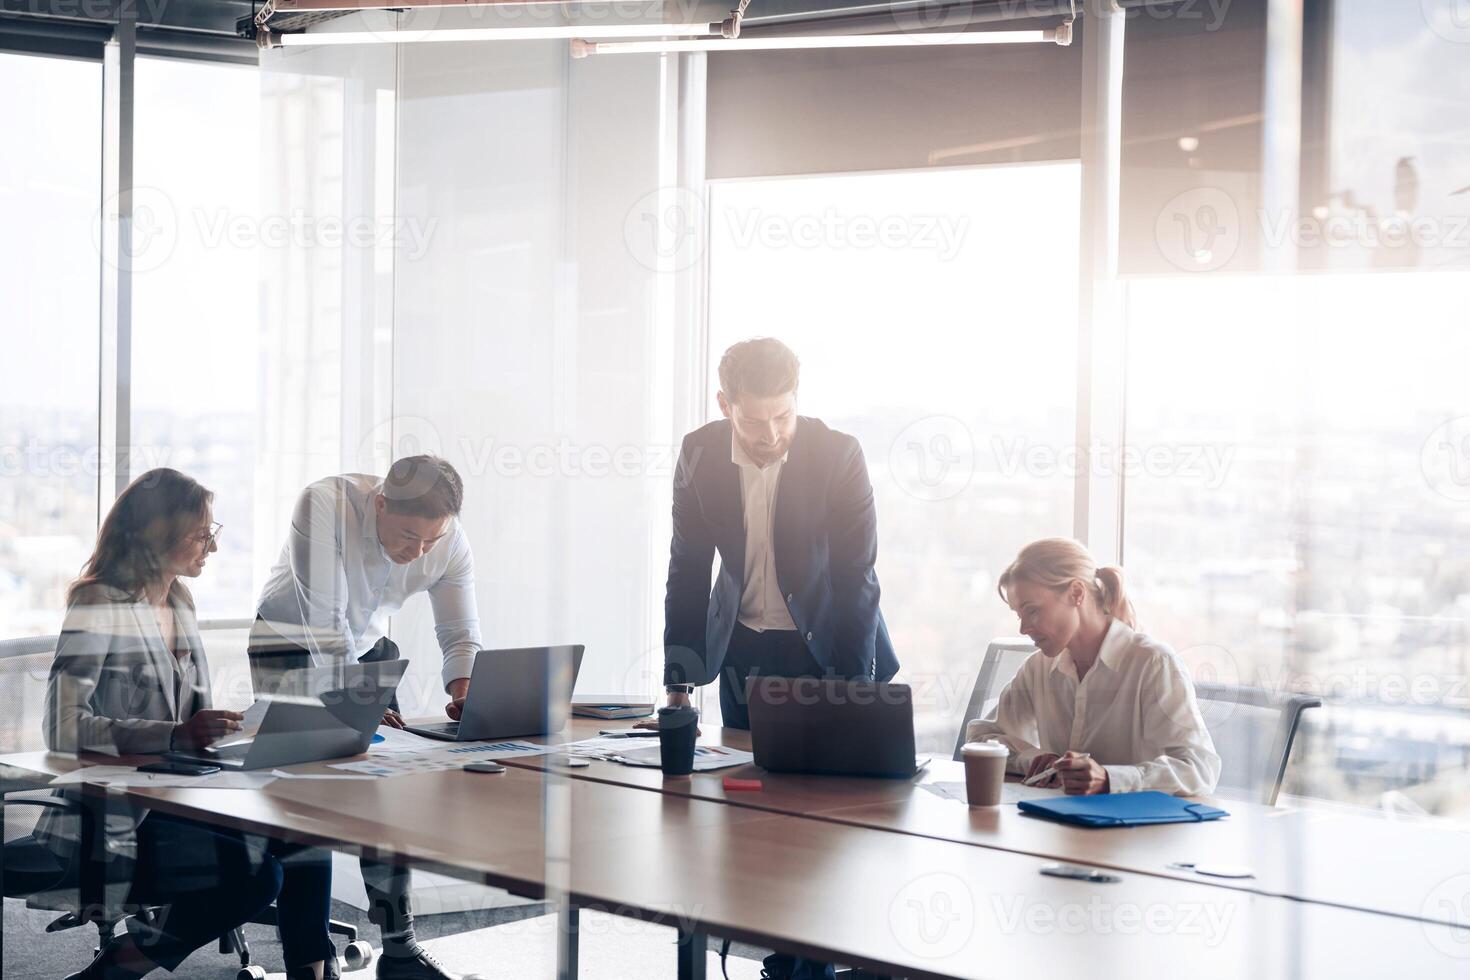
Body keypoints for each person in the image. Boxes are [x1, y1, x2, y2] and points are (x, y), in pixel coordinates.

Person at [646, 337, 898, 980]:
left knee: (815, 821)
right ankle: (767, 948)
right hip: (742, 647)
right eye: (755, 419)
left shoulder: (836, 454)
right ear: (726, 404)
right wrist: (679, 679)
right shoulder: (700, 452)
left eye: (783, 416)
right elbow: (687, 568)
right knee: (746, 808)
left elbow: (856, 576)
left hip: (824, 642)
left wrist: (855, 687)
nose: (771, 433)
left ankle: (803, 965)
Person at [41, 468, 335, 980]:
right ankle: (115, 969)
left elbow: (190, 718)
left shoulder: (179, 599)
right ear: (160, 535)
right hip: (116, 819)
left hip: (183, 799)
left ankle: (311, 975)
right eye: (203, 535)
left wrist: (234, 731)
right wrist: (176, 735)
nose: (212, 548)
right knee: (253, 876)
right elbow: (63, 726)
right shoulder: (99, 603)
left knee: (307, 835)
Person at [249, 455, 485, 980]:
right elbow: (326, 629)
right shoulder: (324, 505)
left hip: (369, 648)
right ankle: (308, 964)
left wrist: (464, 689)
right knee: (305, 807)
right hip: (291, 642)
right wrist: (360, 711)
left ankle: (399, 949)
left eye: (430, 541)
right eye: (407, 537)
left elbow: (459, 631)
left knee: (386, 799)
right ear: (380, 502)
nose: (417, 553)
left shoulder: (448, 539)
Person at [966, 538, 1221, 796]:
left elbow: (1199, 769)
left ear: (1077, 593)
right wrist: (1033, 758)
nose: (1023, 629)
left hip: (1138, 832)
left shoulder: (1153, 664)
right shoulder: (1039, 668)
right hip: (1061, 826)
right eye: (1019, 615)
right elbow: (979, 740)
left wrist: (1110, 779)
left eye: (1032, 611)